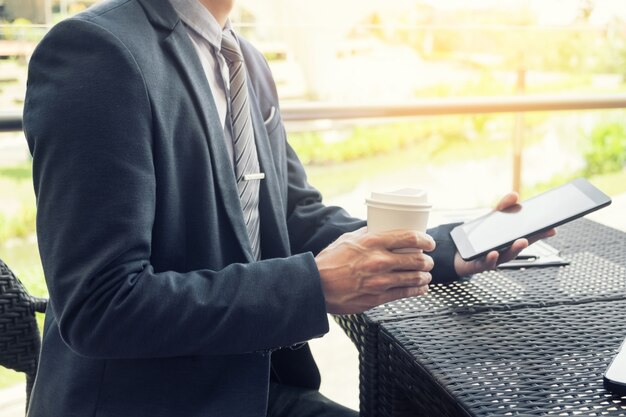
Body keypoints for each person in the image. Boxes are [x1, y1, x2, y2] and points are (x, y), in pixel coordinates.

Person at [22, 0, 551, 416]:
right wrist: (314, 287)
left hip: (258, 389)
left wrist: (450, 248)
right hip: (153, 402)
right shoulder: (97, 52)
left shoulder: (244, 61)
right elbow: (101, 307)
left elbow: (296, 219)